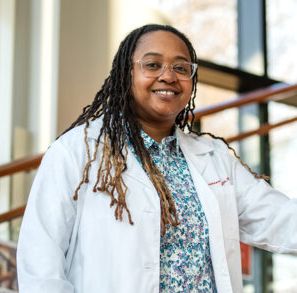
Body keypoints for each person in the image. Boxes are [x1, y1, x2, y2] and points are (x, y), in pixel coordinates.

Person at [17, 24, 297, 293]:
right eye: (152, 65)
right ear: (126, 74)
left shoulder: (214, 157)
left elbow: (279, 219)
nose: (168, 76)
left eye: (181, 68)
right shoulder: (79, 151)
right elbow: (41, 259)